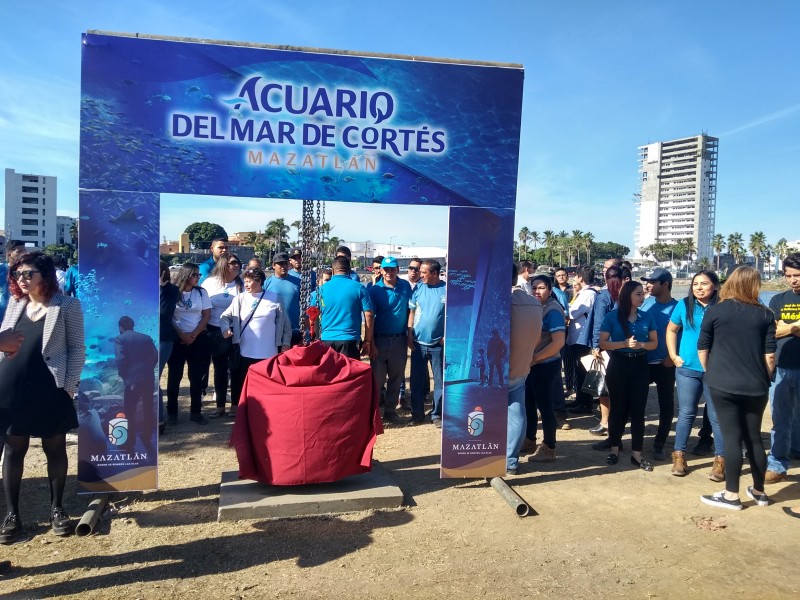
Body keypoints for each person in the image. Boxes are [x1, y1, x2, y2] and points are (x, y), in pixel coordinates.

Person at [0, 252, 85, 544]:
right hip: (13, 387)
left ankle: (57, 509)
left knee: (55, 448)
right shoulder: (15, 303)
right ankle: (12, 515)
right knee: (13, 450)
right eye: (17, 275)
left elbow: (77, 348)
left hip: (52, 388)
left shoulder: (67, 305)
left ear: (45, 275)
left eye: (28, 274)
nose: (21, 280)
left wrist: (70, 386)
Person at [699, 266, 776, 510]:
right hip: (756, 384)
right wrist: (766, 378)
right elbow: (770, 356)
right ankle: (760, 491)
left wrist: (710, 372)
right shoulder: (766, 314)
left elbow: (703, 348)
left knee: (732, 438)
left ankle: (731, 495)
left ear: (731, 282)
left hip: (723, 383)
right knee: (754, 437)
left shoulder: (716, 311)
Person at [666, 270, 724, 479]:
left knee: (716, 417)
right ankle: (679, 456)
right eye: (695, 284)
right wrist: (673, 355)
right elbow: (672, 330)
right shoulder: (684, 304)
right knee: (686, 414)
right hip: (687, 368)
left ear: (716, 286)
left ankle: (720, 460)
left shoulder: (723, 306)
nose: (699, 287)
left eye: (705, 284)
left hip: (715, 369)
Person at [599, 280, 658, 471]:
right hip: (619, 364)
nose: (642, 297)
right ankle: (614, 449)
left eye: (642, 294)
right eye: (638, 294)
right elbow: (603, 343)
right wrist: (623, 344)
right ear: (628, 296)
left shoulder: (647, 317)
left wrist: (641, 345)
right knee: (618, 408)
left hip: (640, 364)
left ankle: (637, 454)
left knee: (638, 410)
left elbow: (654, 343)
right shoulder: (612, 316)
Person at [221, 267, 291, 411]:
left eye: (249, 281)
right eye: (245, 281)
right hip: (245, 351)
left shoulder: (275, 298)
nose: (246, 284)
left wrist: (285, 343)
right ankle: (238, 407)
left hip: (269, 351)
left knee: (267, 382)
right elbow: (224, 317)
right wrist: (225, 329)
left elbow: (285, 324)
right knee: (241, 380)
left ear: (259, 281)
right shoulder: (239, 299)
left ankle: (267, 408)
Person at [766, 252, 800, 484]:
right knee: (780, 418)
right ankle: (777, 464)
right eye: (788, 275)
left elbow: (781, 328)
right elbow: (773, 332)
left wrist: (787, 326)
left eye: (797, 275)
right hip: (781, 367)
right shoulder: (777, 300)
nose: (792, 280)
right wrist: (796, 326)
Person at [525, 274, 566, 461]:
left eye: (541, 288)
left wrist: (535, 358)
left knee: (545, 407)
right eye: (534, 288)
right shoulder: (535, 307)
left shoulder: (553, 311)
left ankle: (549, 447)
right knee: (529, 404)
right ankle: (529, 440)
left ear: (550, 290)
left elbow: (558, 343)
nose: (537, 291)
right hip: (533, 364)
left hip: (546, 364)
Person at [507, 263, 543, 475]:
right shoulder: (534, 303)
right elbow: (537, 337)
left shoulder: (500, 302)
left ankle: (489, 456)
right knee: (516, 412)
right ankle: (511, 460)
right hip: (522, 364)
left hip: (497, 368)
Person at [368, 256, 412, 425]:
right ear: (381, 271)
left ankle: (390, 411)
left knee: (396, 377)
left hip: (399, 340)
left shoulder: (405, 286)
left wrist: (409, 335)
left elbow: (411, 311)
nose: (389, 272)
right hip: (379, 340)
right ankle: (372, 414)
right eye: (386, 269)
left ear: (397, 270)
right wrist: (370, 343)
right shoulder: (374, 290)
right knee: (377, 380)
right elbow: (368, 319)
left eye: (392, 269)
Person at [166, 263, 212, 425]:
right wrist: (182, 335)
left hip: (197, 339)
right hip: (178, 339)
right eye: (195, 275)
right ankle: (172, 412)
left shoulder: (201, 293)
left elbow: (206, 315)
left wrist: (194, 334)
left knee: (196, 377)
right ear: (186, 275)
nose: (198, 278)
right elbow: (168, 316)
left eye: (199, 275)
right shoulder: (173, 292)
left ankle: (196, 411)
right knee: (174, 376)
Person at [640, 268, 678, 460]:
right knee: (636, 402)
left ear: (665, 284)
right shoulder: (645, 304)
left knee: (666, 404)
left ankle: (660, 443)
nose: (648, 285)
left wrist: (672, 357)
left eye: (653, 282)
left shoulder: (678, 307)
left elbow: (684, 334)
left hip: (665, 364)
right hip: (643, 362)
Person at [202, 254, 243, 417]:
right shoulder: (210, 283)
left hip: (236, 331)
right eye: (234, 263)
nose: (237, 265)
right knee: (219, 369)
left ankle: (235, 406)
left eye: (238, 262)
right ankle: (220, 407)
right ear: (224, 265)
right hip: (214, 331)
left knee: (235, 369)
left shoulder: (241, 284)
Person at [408, 259, 446, 426]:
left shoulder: (447, 290)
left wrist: (447, 335)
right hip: (418, 344)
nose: (420, 275)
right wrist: (409, 333)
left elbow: (454, 315)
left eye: (423, 272)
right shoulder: (418, 288)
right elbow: (412, 312)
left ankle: (436, 414)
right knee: (416, 381)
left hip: (438, 345)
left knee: (440, 381)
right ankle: (417, 415)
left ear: (434, 273)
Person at [313, 256, 373, 360]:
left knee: (329, 375)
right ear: (349, 270)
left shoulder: (320, 290)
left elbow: (312, 316)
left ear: (332, 271)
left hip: (327, 340)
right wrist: (367, 341)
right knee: (349, 375)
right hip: (350, 341)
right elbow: (369, 315)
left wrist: (316, 338)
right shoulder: (359, 288)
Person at [590, 265, 624, 443]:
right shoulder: (627, 294)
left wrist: (596, 346)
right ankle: (617, 421)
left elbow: (599, 323)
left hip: (607, 345)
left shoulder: (603, 296)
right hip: (624, 346)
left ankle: (605, 422)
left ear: (606, 277)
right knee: (619, 387)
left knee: (604, 388)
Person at [115, 316, 158, 453]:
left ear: (121, 327)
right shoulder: (146, 337)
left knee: (130, 411)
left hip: (132, 381)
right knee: (148, 408)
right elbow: (155, 355)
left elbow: (121, 359)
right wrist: (149, 368)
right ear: (133, 325)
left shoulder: (120, 339)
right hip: (148, 378)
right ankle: (147, 436)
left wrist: (124, 375)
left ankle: (130, 441)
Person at [565, 266, 598, 415]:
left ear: (581, 278)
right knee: (580, 371)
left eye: (576, 276)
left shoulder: (588, 294)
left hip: (582, 337)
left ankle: (585, 402)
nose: (574, 279)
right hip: (578, 336)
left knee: (583, 371)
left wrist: (565, 308)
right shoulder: (585, 293)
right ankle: (580, 400)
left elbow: (573, 312)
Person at [158, 261, 180, 434]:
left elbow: (164, 312)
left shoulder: (171, 291)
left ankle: (158, 419)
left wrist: (159, 289)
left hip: (164, 339)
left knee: (153, 378)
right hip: (146, 338)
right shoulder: (143, 289)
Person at [264, 252, 302, 347]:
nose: (283, 266)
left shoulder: (298, 282)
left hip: (294, 330)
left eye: (285, 263)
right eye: (280, 264)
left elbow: (304, 305)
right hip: (274, 330)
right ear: (273, 265)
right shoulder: (267, 283)